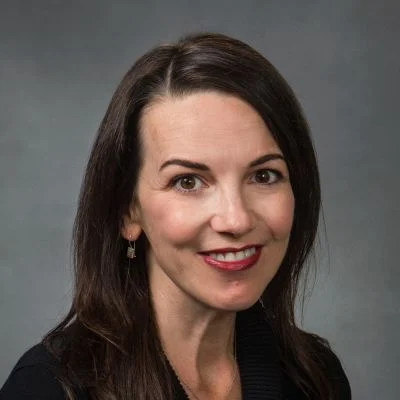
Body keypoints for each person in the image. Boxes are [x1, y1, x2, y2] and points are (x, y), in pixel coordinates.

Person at [0, 32, 351, 400]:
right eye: (188, 181)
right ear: (127, 212)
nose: (236, 219)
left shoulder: (316, 379)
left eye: (263, 176)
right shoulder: (46, 389)